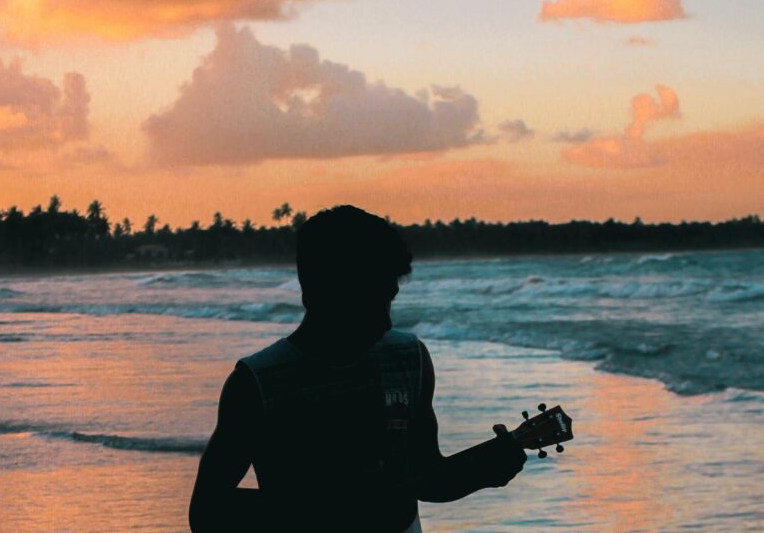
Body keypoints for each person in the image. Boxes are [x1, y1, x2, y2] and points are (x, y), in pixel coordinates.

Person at [189, 205, 528, 532]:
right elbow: (207, 512)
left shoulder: (409, 360)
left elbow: (427, 478)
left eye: (389, 299)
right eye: (370, 302)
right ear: (320, 293)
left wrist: (484, 472)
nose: (385, 320)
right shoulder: (257, 383)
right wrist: (325, 508)